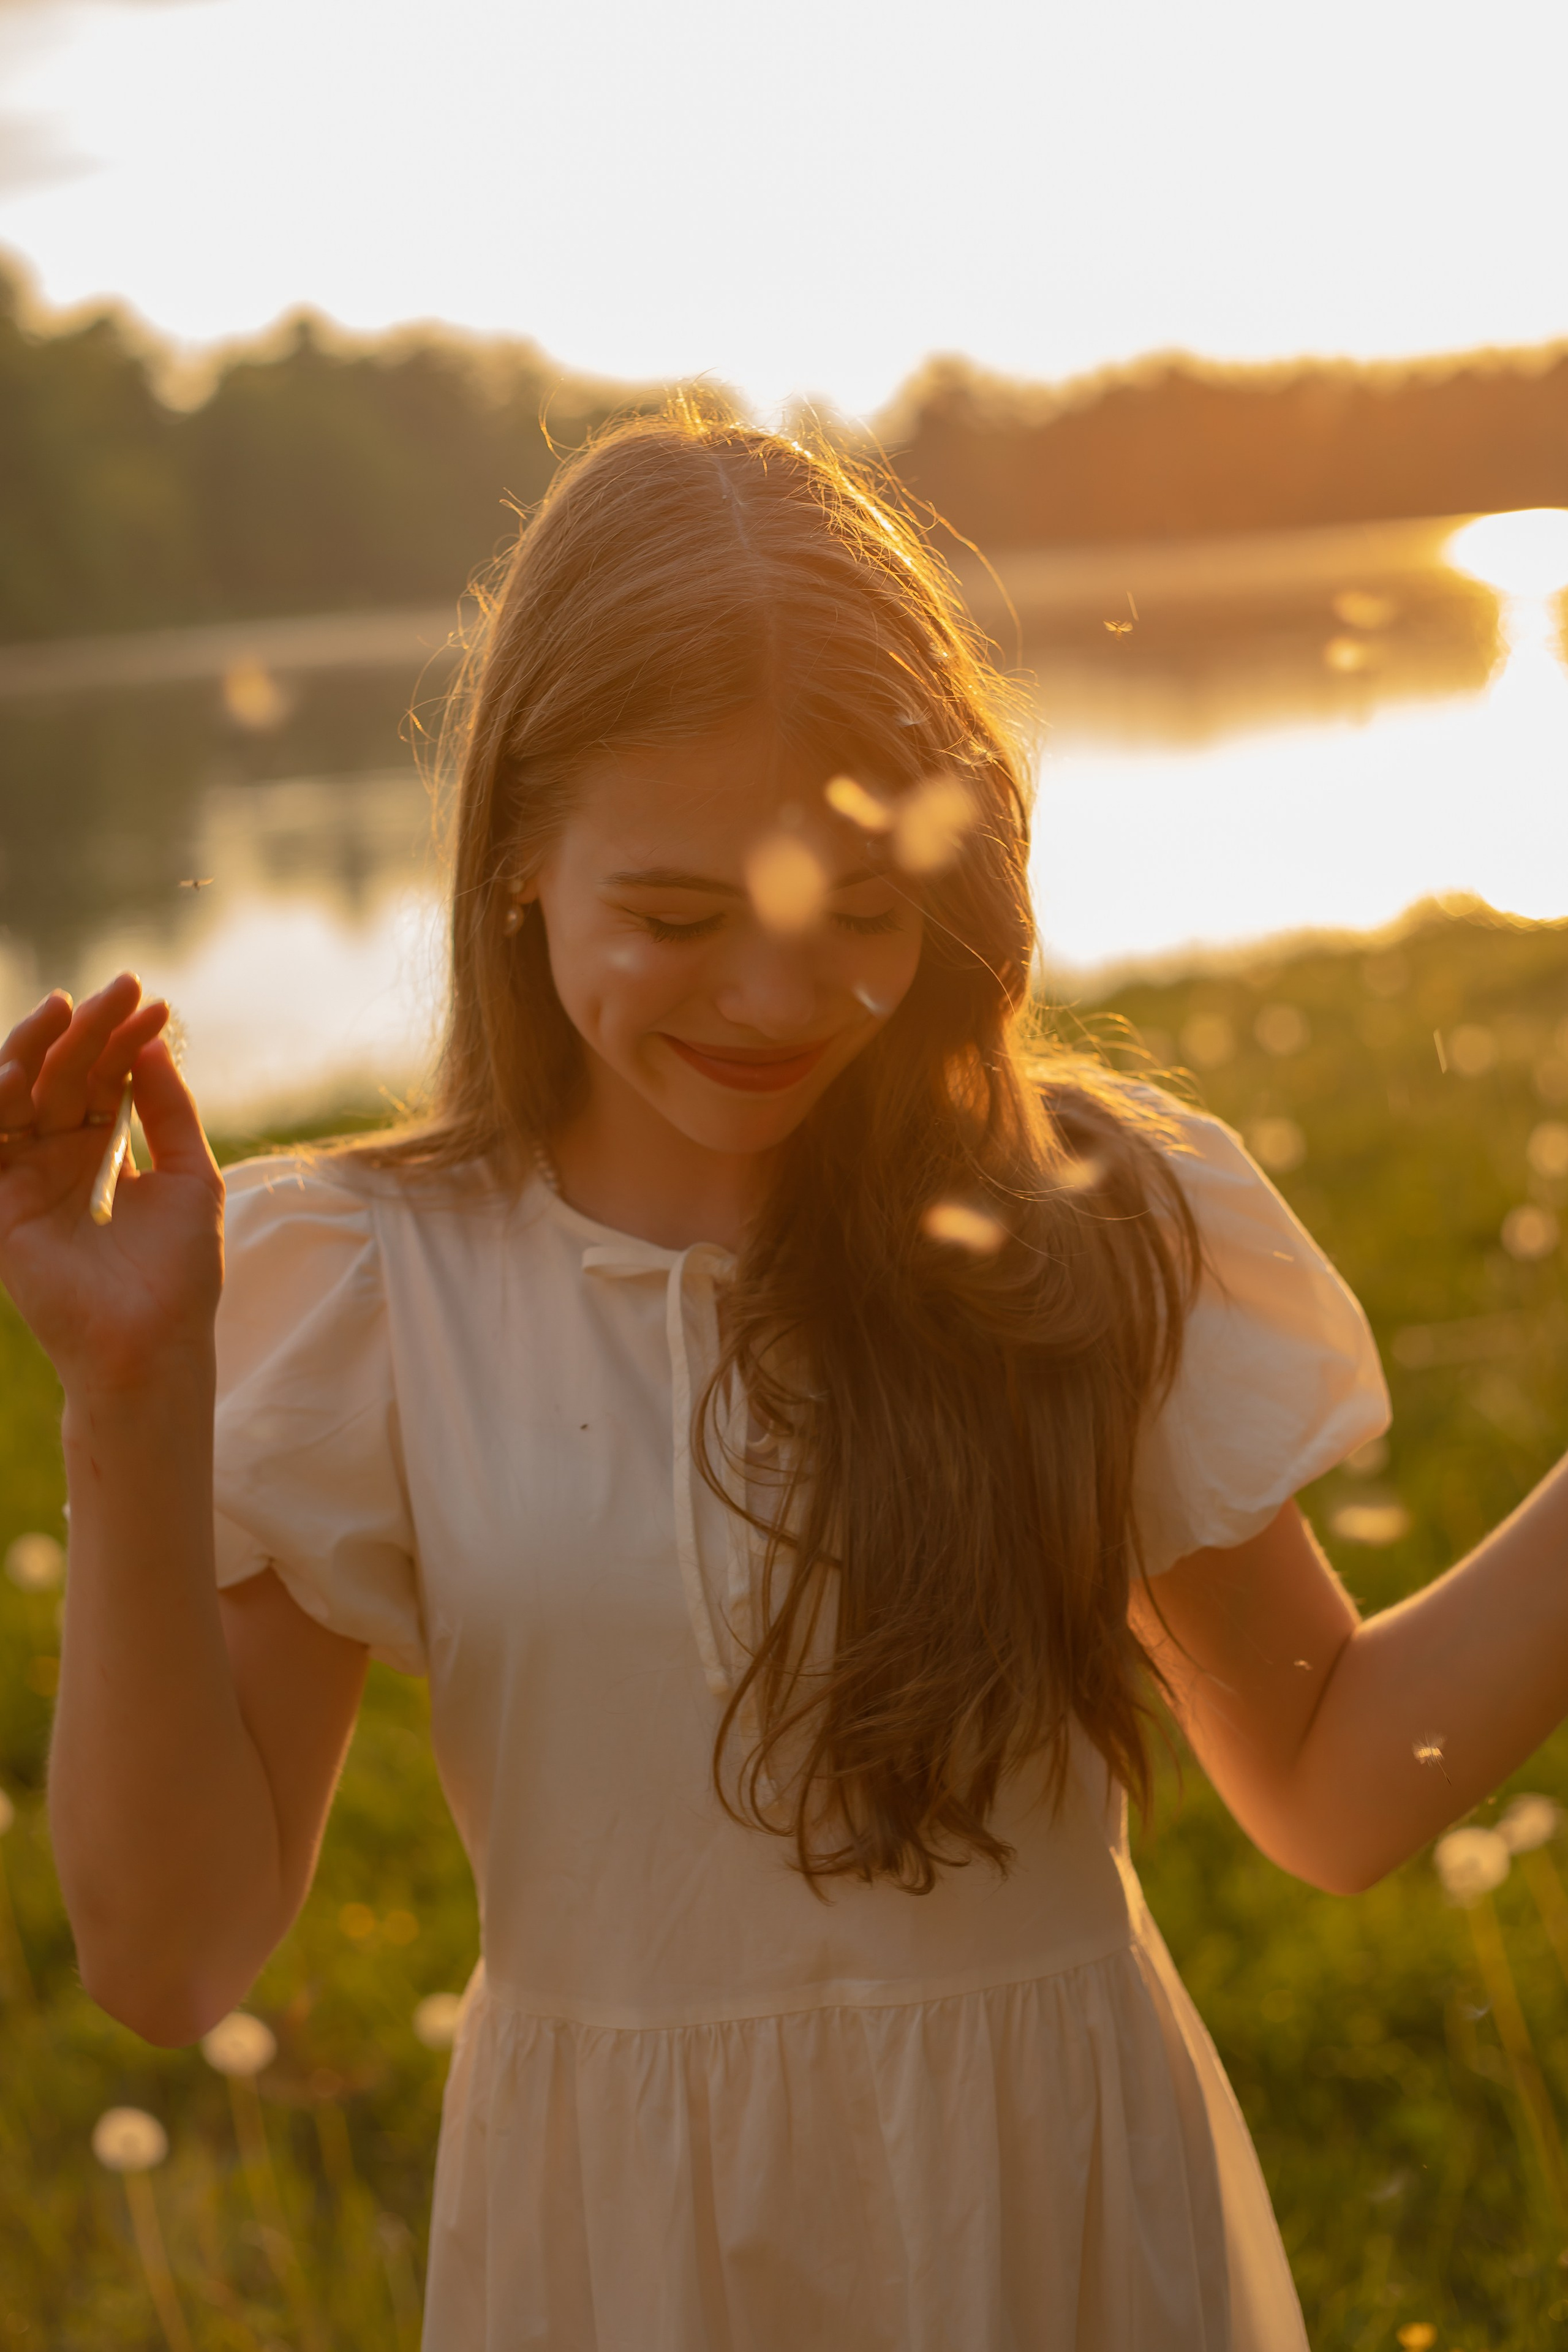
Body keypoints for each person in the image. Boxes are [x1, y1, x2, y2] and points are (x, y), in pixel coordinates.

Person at [8, 410, 1567, 2352]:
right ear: (515, 855)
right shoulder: (375, 1289)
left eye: (859, 914)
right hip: (627, 2260)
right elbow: (168, 1961)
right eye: (675, 918)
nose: (768, 998)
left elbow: (1335, 1786)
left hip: (1060, 2217)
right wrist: (131, 1387)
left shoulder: (1076, 1226)